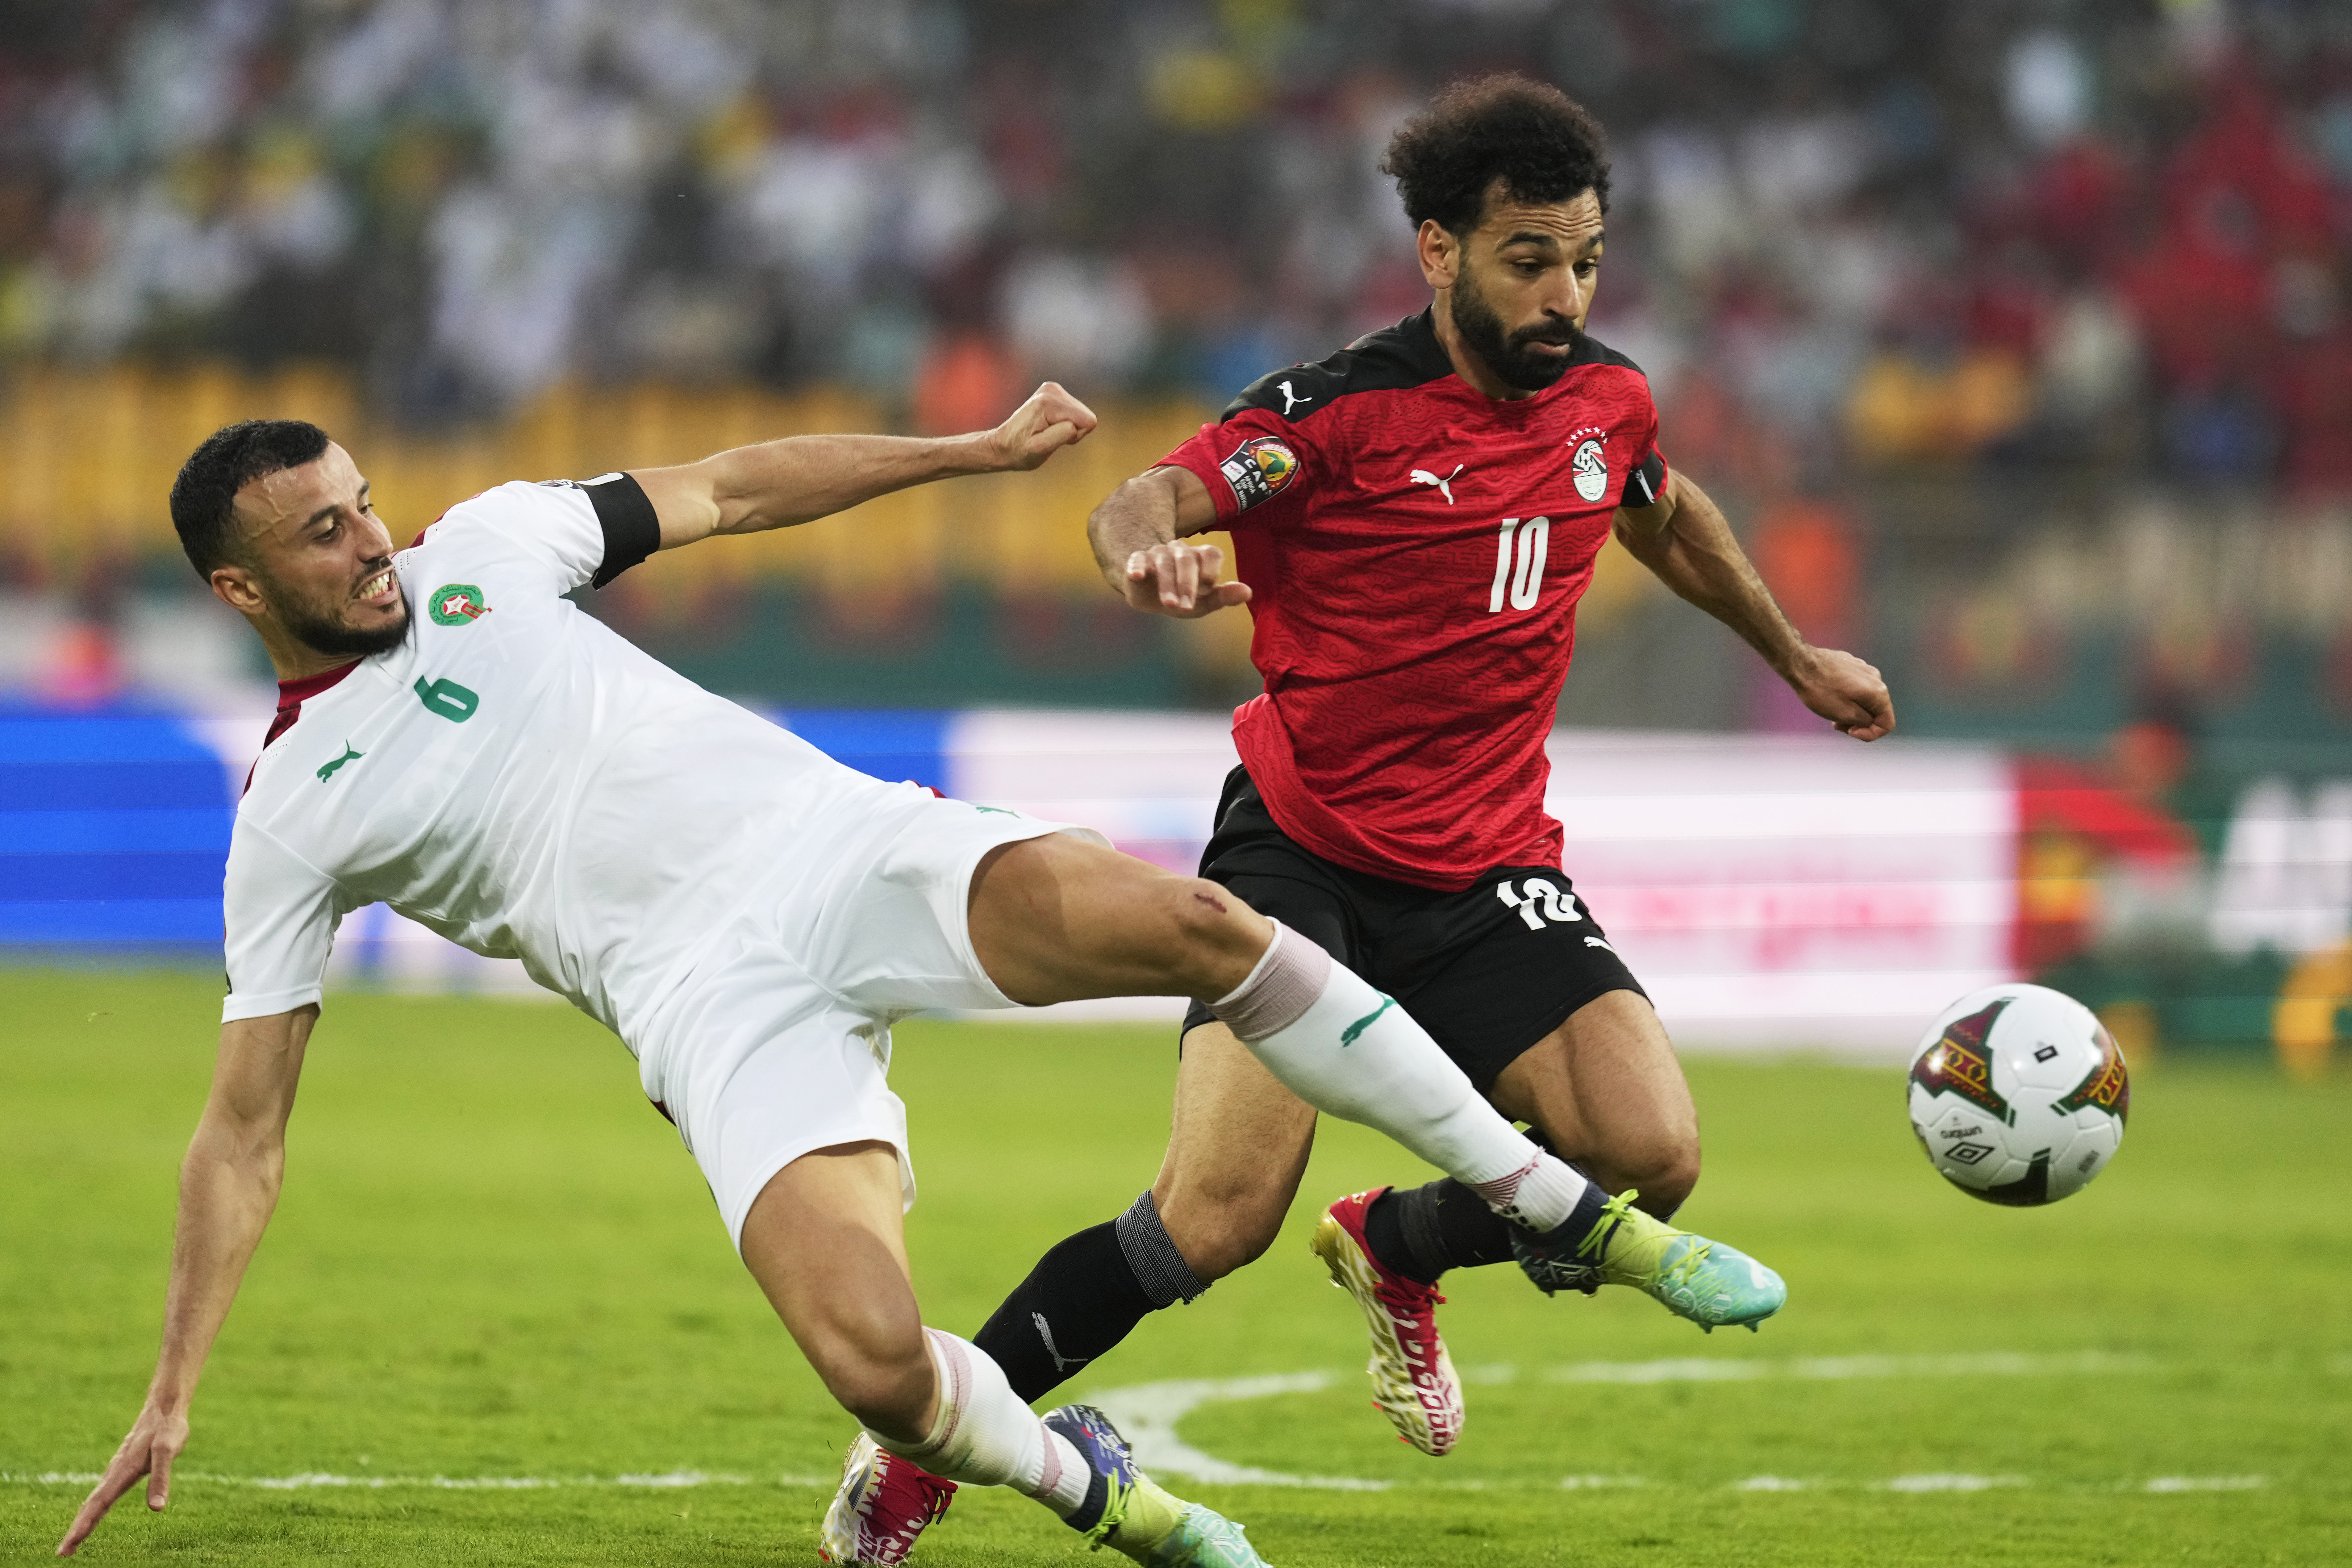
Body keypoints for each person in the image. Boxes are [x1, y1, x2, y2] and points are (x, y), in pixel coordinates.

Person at [55, 385, 1719, 1567]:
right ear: (238, 585)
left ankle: (1553, 1203)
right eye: (322, 537)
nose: (371, 545)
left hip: (837, 849)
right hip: (707, 1008)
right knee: (870, 1361)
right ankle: (1101, 1492)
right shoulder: (287, 817)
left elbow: (734, 487)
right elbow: (243, 1127)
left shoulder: (489, 547)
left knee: (1201, 926)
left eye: (358, 502)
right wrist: (173, 1384)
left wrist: (968, 453)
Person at [826, 72, 1894, 1559]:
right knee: (1213, 1216)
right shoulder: (1335, 413)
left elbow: (1657, 503)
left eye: (1587, 259)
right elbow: (1146, 498)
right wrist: (1148, 558)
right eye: (1532, 259)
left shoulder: (1607, 398)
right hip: (1303, 849)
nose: (1566, 294)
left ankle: (1398, 1240)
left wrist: (1795, 653)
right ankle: (926, 1447)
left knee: (1651, 1153)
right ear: (1440, 251)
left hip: (1489, 862)